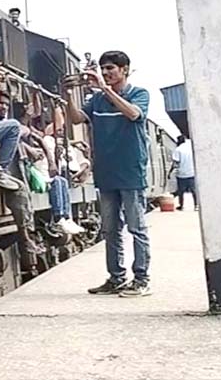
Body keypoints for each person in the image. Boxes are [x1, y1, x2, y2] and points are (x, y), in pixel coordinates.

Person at [64, 50, 151, 297]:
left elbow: (134, 114)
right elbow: (77, 119)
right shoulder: (97, 100)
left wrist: (104, 89)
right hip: (106, 171)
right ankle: (116, 278)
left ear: (125, 69)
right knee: (110, 229)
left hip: (131, 170)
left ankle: (142, 279)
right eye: (103, 69)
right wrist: (68, 95)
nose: (105, 73)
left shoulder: (139, 94)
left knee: (137, 227)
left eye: (111, 68)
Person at [171, 135, 197, 211]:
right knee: (193, 190)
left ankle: (181, 206)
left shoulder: (178, 150)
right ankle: (196, 205)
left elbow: (176, 163)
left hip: (181, 174)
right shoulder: (191, 149)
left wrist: (170, 172)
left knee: (181, 191)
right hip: (192, 172)